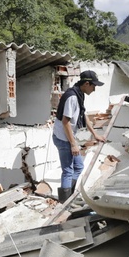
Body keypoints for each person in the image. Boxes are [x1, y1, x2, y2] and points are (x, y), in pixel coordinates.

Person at [52, 70, 107, 201]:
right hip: (63, 138)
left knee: (79, 167)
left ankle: (69, 197)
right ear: (87, 84)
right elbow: (65, 122)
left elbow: (84, 115)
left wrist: (95, 134)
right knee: (68, 171)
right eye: (94, 86)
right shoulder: (72, 97)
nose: (94, 90)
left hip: (67, 137)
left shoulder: (79, 94)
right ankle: (64, 203)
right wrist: (73, 144)